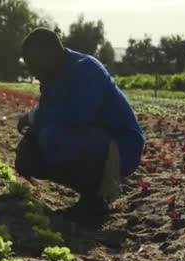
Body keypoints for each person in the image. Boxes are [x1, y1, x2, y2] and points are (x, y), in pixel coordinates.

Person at [15, 28, 145, 221]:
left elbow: (75, 115)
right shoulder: (52, 75)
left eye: (33, 64)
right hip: (89, 139)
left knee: (52, 138)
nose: (32, 71)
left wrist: (33, 117)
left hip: (120, 146)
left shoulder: (86, 68)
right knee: (30, 156)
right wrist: (28, 143)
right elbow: (49, 112)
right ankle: (90, 194)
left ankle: (96, 199)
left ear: (50, 55)